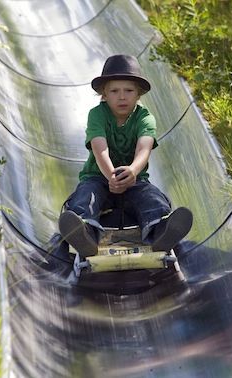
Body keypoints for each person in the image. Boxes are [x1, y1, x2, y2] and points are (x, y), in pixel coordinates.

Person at [59, 54, 193, 258]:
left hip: (134, 179)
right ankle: (84, 231)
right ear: (104, 94)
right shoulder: (97, 114)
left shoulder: (145, 118)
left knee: (152, 198)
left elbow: (144, 149)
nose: (122, 97)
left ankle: (161, 230)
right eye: (114, 91)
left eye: (129, 91)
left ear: (138, 94)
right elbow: (99, 147)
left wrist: (132, 171)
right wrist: (111, 175)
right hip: (99, 177)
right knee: (86, 196)